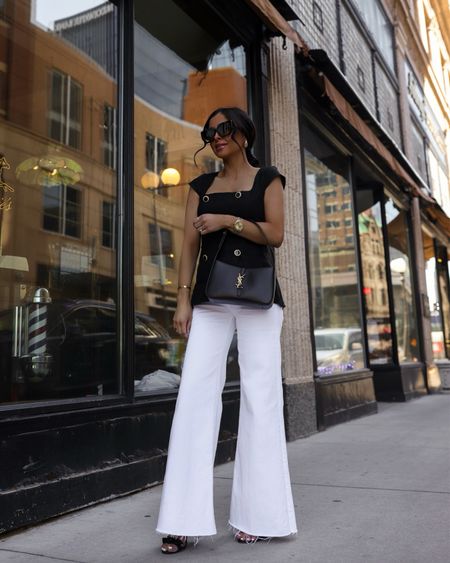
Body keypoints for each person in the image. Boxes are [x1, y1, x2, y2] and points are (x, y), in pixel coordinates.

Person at [156, 107, 297, 554]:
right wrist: (182, 299)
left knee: (261, 400)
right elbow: (187, 246)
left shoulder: (267, 178)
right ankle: (180, 521)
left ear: (244, 134)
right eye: (209, 132)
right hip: (210, 302)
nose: (215, 136)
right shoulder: (200, 187)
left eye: (224, 129)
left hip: (258, 301)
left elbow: (275, 234)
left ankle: (260, 517)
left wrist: (228, 221)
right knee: (194, 397)